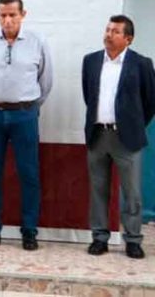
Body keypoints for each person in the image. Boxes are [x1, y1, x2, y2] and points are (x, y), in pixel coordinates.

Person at [0, 0, 53, 251]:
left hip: (25, 114)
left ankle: (29, 230)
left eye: (12, 15)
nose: (7, 20)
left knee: (29, 173)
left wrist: (27, 105)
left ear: (23, 15)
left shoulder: (37, 42)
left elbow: (46, 82)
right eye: (3, 15)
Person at [81, 15, 155, 259]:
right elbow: (88, 95)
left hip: (127, 138)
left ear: (128, 39)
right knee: (98, 189)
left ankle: (133, 240)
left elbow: (150, 101)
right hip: (98, 135)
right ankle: (99, 238)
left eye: (115, 31)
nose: (108, 34)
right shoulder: (91, 61)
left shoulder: (142, 64)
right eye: (107, 29)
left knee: (132, 192)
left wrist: (132, 125)